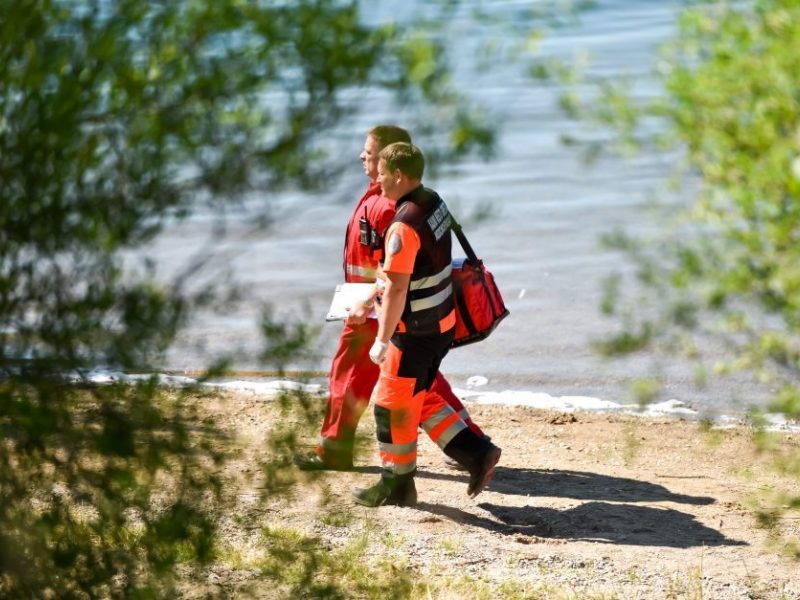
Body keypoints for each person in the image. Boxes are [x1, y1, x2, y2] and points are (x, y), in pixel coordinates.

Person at [294, 126, 485, 473]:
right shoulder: (392, 196)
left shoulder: (388, 206)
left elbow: (395, 271)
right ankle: (471, 441)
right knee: (423, 382)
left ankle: (335, 449)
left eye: (369, 154)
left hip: (376, 310)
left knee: (349, 376)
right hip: (385, 308)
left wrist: (370, 309)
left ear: (389, 162)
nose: (362, 158)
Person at [351, 142, 501, 507]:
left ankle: (397, 485)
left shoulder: (402, 226)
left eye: (383, 175)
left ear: (399, 175)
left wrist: (382, 340)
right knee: (419, 395)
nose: (379, 182)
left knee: (390, 406)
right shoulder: (433, 200)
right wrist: (375, 294)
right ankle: (476, 453)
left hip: (414, 332)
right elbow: (412, 269)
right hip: (441, 325)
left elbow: (400, 286)